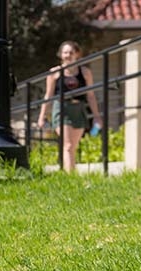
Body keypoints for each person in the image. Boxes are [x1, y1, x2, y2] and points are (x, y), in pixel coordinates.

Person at [36, 41, 103, 173]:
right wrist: (42, 116)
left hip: (78, 109)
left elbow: (90, 95)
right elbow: (48, 95)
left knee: (73, 146)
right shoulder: (55, 73)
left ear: (77, 54)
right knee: (68, 145)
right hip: (62, 109)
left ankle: (70, 174)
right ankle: (70, 175)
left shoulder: (85, 72)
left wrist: (96, 116)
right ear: (60, 55)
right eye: (65, 52)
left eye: (71, 52)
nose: (68, 55)